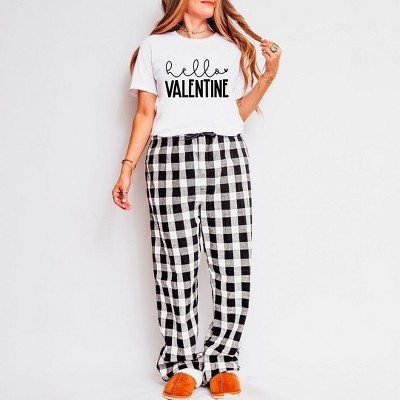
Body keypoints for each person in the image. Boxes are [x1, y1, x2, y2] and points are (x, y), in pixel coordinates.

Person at [112, 0, 281, 398]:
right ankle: (182, 362)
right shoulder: (155, 47)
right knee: (175, 262)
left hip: (226, 154)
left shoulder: (231, 47)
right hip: (170, 156)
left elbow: (235, 114)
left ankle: (223, 360)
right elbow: (145, 114)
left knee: (232, 261)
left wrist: (268, 76)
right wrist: (127, 166)